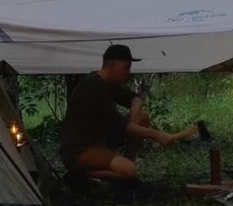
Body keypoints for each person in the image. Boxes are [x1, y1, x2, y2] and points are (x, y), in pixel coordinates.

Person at [60, 43, 178, 183]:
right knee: (128, 171)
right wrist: (156, 134)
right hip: (80, 150)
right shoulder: (92, 86)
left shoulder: (106, 84)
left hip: (101, 143)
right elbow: (119, 124)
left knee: (143, 116)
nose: (128, 72)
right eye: (126, 67)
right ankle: (81, 174)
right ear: (112, 65)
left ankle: (126, 164)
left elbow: (134, 98)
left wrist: (135, 113)